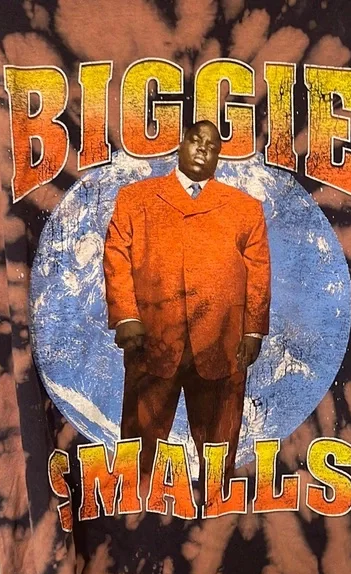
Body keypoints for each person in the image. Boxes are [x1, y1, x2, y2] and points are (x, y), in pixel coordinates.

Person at [103, 120, 271, 481]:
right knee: (139, 448)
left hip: (222, 343)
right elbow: (116, 255)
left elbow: (258, 272)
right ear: (181, 143)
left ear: (219, 157)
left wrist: (253, 331)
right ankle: (136, 504)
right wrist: (126, 316)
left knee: (218, 453)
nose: (202, 151)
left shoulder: (245, 208)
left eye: (212, 147)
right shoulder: (135, 198)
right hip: (152, 340)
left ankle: (218, 504)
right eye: (196, 141)